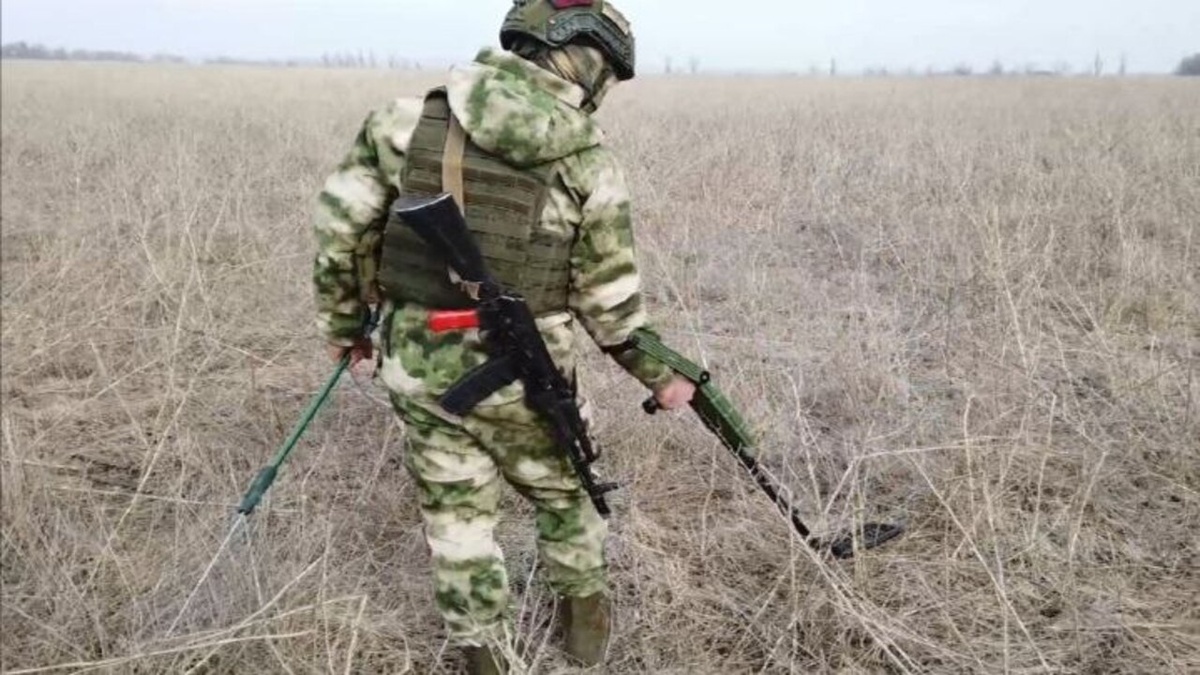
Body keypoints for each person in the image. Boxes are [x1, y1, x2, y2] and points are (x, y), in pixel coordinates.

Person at [311, 1, 694, 671]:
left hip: (417, 361)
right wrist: (663, 377)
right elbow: (610, 305)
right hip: (529, 369)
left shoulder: (403, 121)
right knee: (568, 493)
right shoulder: (589, 161)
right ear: (589, 62)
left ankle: (483, 655)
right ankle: (585, 636)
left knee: (455, 518)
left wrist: (345, 328)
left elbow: (339, 232)